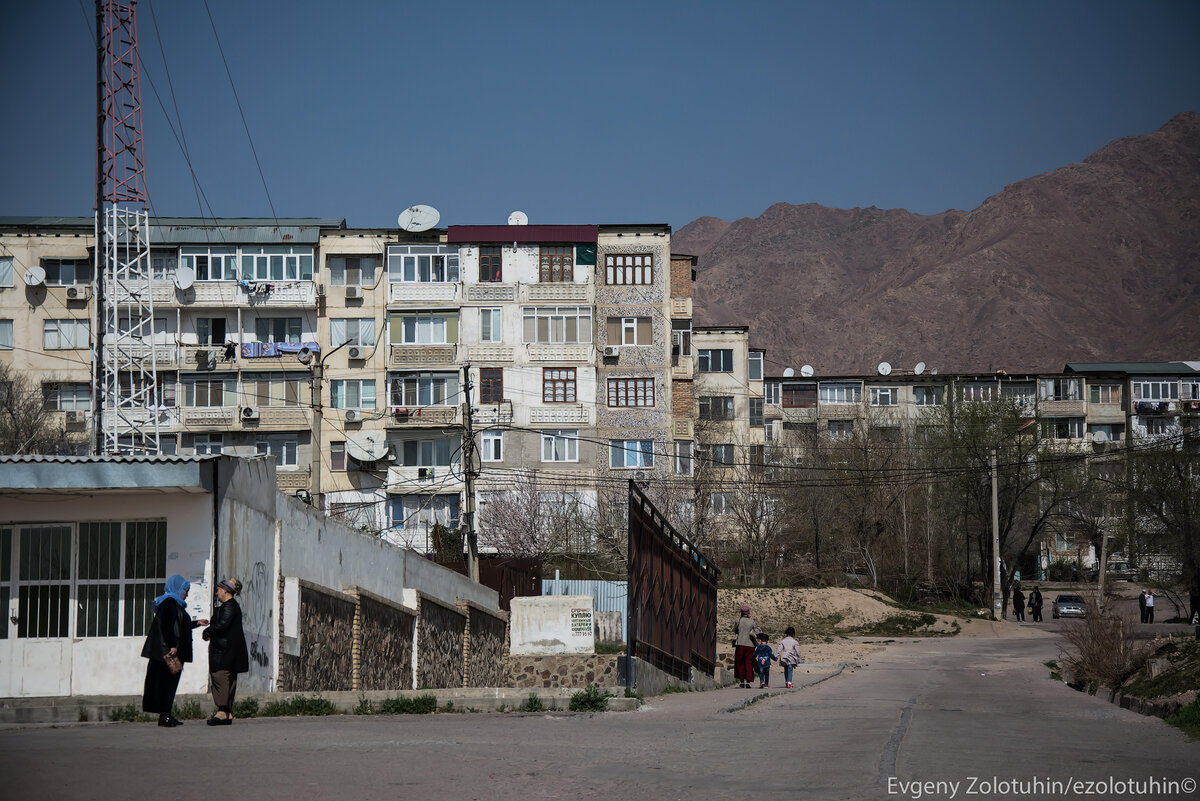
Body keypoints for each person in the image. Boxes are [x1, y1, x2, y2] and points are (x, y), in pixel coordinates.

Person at [141, 575, 207, 727]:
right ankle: (164, 716)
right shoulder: (169, 602)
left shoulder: (174, 603)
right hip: (168, 654)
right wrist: (172, 645)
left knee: (170, 683)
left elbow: (179, 626)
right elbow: (166, 625)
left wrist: (196, 623)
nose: (187, 594)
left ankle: (166, 714)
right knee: (166, 684)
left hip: (170, 652)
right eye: (185, 590)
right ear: (177, 588)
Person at [203, 578, 249, 725]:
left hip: (224, 652)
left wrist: (208, 631)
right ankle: (227, 712)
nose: (217, 593)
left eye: (218, 590)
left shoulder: (229, 606)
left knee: (220, 677)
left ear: (224, 590)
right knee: (228, 678)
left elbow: (222, 625)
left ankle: (222, 711)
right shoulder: (230, 606)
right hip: (229, 651)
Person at [732, 605, 760, 689]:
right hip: (750, 645)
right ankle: (748, 682)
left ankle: (741, 681)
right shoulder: (752, 622)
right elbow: (757, 631)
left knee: (740, 663)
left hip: (740, 644)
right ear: (748, 612)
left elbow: (735, 630)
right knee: (749, 663)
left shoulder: (738, 621)